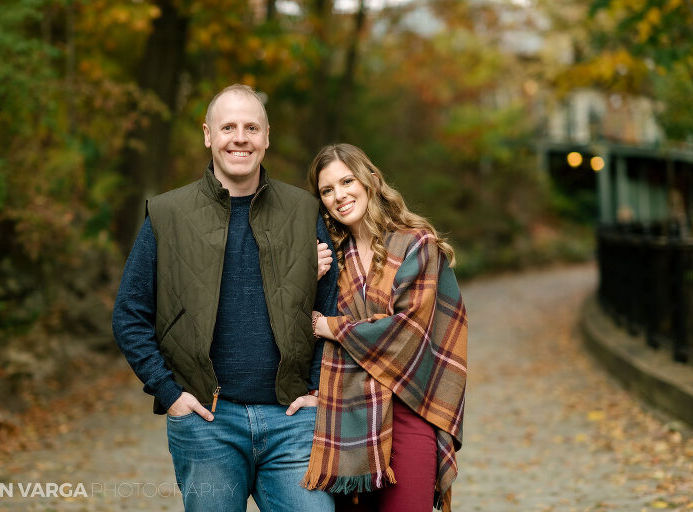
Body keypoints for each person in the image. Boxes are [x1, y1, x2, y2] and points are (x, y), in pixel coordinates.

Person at [111, 84, 337, 512]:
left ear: (266, 137)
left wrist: (317, 388)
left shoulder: (304, 211)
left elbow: (333, 307)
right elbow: (129, 316)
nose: (240, 137)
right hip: (206, 423)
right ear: (207, 135)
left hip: (293, 419)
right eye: (228, 126)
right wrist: (169, 393)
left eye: (251, 127)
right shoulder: (167, 214)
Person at [302, 143, 468, 512]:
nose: (339, 196)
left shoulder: (416, 244)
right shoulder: (329, 257)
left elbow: (405, 334)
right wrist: (305, 279)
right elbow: (294, 327)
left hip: (409, 406)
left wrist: (329, 326)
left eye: (347, 181)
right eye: (327, 190)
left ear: (371, 181)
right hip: (344, 417)